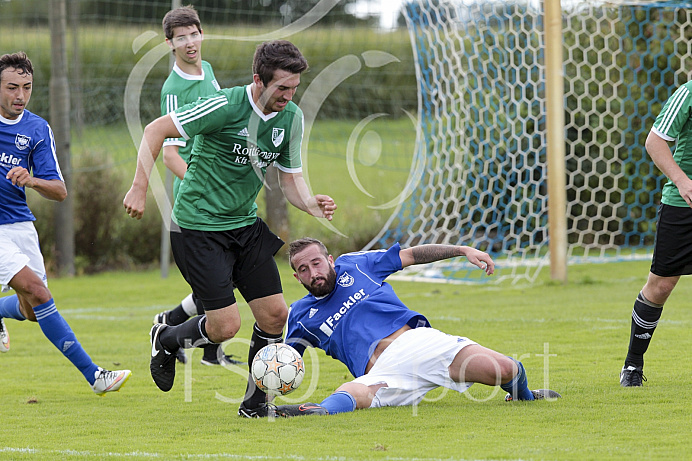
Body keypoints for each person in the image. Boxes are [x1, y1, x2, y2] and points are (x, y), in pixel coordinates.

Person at [123, 40, 336, 417]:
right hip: (197, 227)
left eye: (294, 88)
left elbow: (290, 180)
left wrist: (310, 202)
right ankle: (168, 338)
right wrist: (140, 186)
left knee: (274, 315)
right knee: (224, 326)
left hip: (245, 224)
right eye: (281, 88)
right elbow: (156, 130)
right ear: (258, 79)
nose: (288, 96)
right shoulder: (225, 104)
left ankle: (255, 405)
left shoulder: (291, 119)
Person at [267, 238, 560, 417]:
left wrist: (462, 250)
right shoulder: (302, 316)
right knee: (350, 395)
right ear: (297, 277)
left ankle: (524, 396)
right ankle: (316, 411)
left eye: (317, 263)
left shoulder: (356, 266)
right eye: (304, 270)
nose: (313, 273)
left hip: (421, 343)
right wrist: (261, 398)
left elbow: (411, 255)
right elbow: (280, 364)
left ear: (329, 260)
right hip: (384, 372)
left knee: (508, 369)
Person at [0, 51, 131, 395]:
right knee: (39, 292)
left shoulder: (37, 128)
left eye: (26, 87)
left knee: (32, 309)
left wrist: (31, 180)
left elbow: (59, 191)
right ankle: (96, 376)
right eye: (12, 87)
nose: (20, 96)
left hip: (20, 227)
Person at [150, 5, 242, 368]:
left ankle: (189, 335)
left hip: (223, 189)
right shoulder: (173, 88)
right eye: (181, 37)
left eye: (194, 34)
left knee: (228, 272)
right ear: (169, 43)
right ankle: (176, 329)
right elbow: (169, 154)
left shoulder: (209, 71)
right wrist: (203, 182)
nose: (190, 43)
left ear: (202, 34)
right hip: (199, 196)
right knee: (222, 276)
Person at [619, 80, 692, 387]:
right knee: (661, 286)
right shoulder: (688, 93)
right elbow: (654, 141)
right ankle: (633, 365)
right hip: (683, 205)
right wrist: (682, 181)